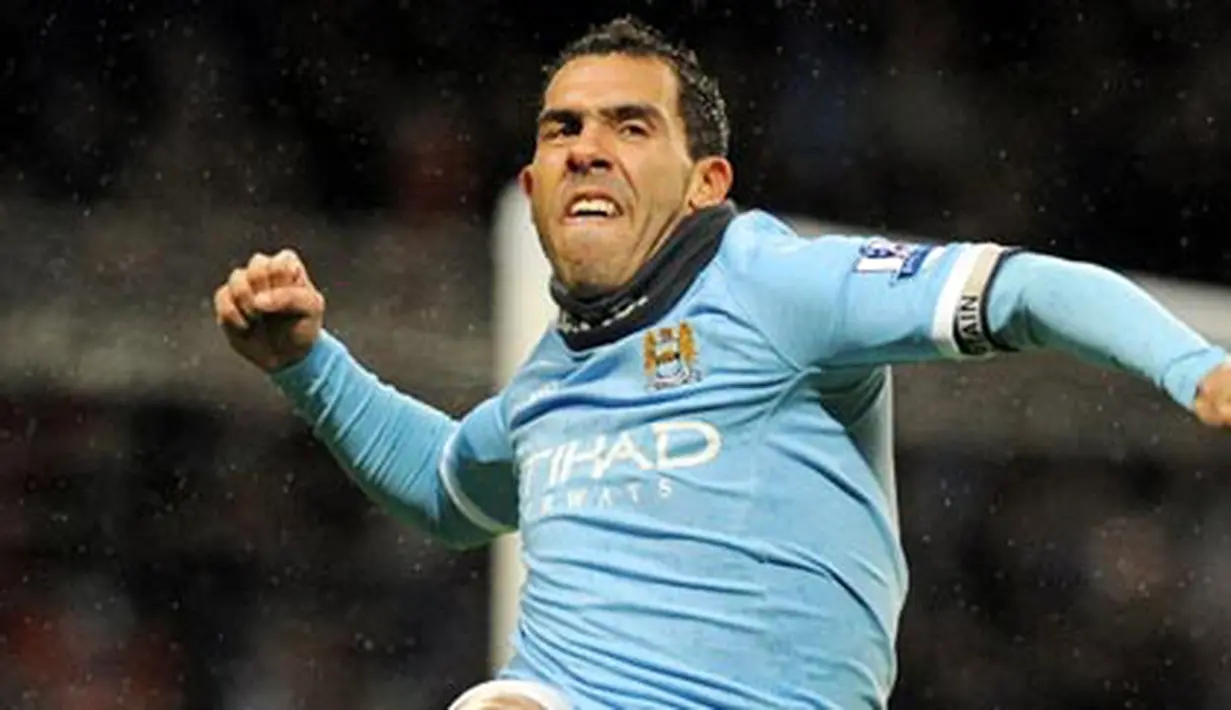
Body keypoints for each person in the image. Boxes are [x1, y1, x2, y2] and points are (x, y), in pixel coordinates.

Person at [213, 15, 1231, 710]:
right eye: (563, 128)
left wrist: (1196, 366)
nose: (586, 147)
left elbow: (1024, 288)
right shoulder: (545, 384)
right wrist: (306, 363)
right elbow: (444, 489)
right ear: (532, 185)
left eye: (628, 124)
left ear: (705, 183)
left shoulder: (773, 285)